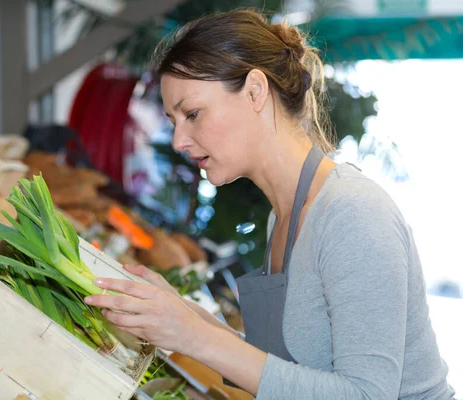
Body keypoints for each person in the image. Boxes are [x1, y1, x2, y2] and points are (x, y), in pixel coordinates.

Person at [84, 9, 455, 399]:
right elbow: (292, 370)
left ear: (255, 92)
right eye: (174, 121)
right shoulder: (284, 216)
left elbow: (365, 394)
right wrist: (182, 314)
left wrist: (194, 337)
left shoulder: (352, 213)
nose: (179, 141)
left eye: (192, 114)